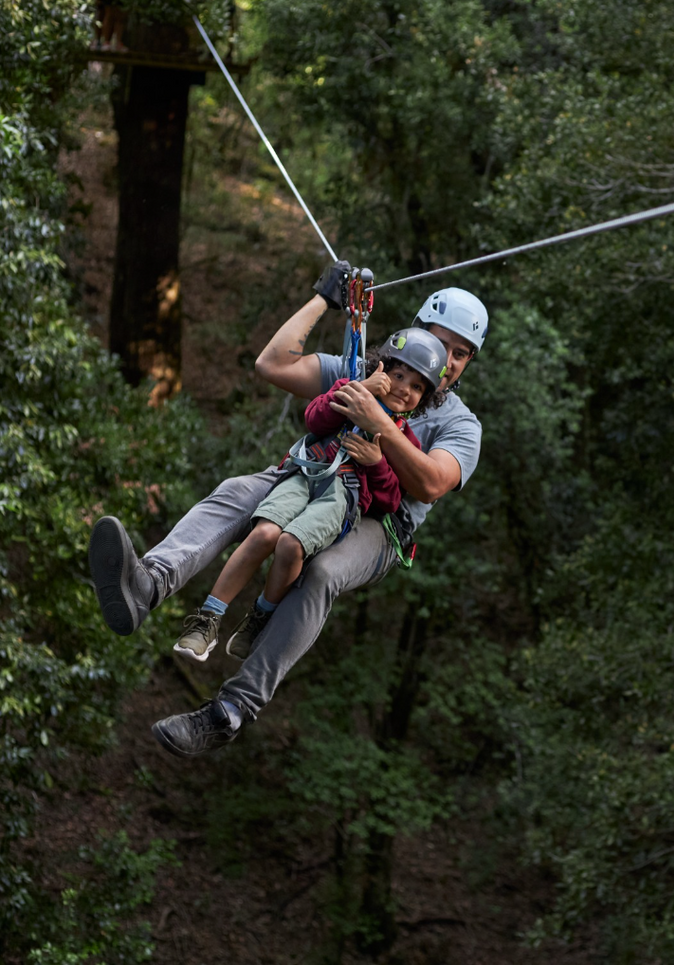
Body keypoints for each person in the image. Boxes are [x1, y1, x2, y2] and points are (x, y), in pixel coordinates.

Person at [88, 260, 487, 758]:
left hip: (380, 520)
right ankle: (148, 583)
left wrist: (376, 424)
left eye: (460, 353)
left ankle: (231, 710)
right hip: (315, 474)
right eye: (439, 341)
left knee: (322, 572)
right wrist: (324, 299)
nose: (447, 360)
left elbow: (430, 484)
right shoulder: (372, 369)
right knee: (238, 491)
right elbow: (272, 365)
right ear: (416, 332)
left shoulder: (461, 425)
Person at [172, 327, 449, 665]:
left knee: (290, 545)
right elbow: (315, 419)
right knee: (265, 532)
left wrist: (376, 462)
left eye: (417, 386)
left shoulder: (402, 441)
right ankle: (208, 618)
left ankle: (260, 616)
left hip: (342, 496)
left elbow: (390, 501)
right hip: (305, 473)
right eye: (399, 374)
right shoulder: (350, 389)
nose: (404, 388)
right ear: (382, 369)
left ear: (424, 398)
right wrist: (359, 391)